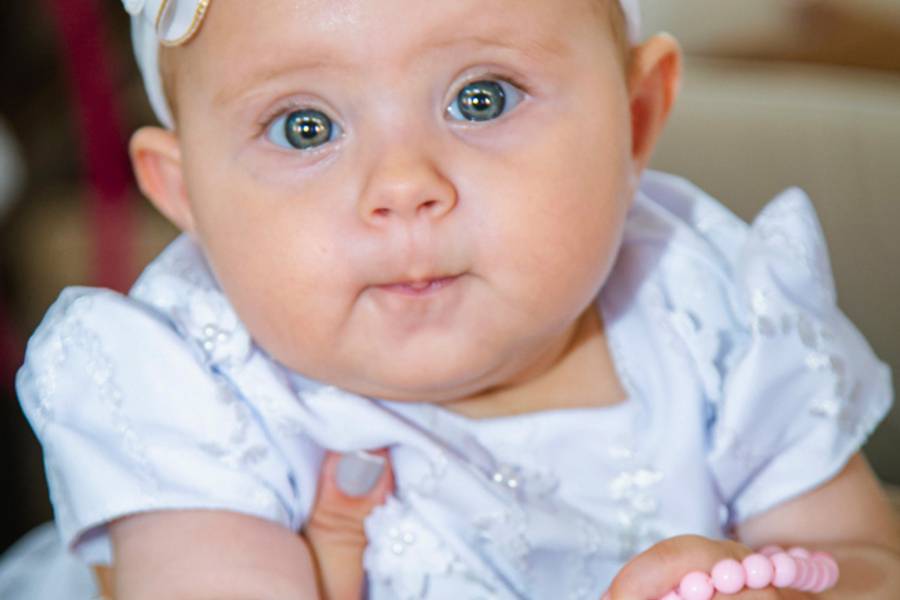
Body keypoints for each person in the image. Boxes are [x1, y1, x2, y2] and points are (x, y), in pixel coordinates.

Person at [11, 0, 900, 598]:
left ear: (634, 122)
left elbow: (871, 559)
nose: (403, 185)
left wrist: (784, 587)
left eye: (481, 98)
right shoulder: (191, 384)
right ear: (188, 197)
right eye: (304, 126)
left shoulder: (715, 310)